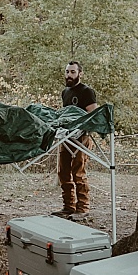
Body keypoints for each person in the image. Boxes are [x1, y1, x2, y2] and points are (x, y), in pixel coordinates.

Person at [57, 61, 100, 218]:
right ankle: (68, 206)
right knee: (63, 171)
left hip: (81, 137)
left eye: (73, 72)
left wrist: (82, 130)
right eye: (67, 72)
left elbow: (93, 115)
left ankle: (83, 208)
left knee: (78, 171)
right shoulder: (65, 92)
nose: (69, 75)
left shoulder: (87, 92)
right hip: (66, 136)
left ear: (80, 73)